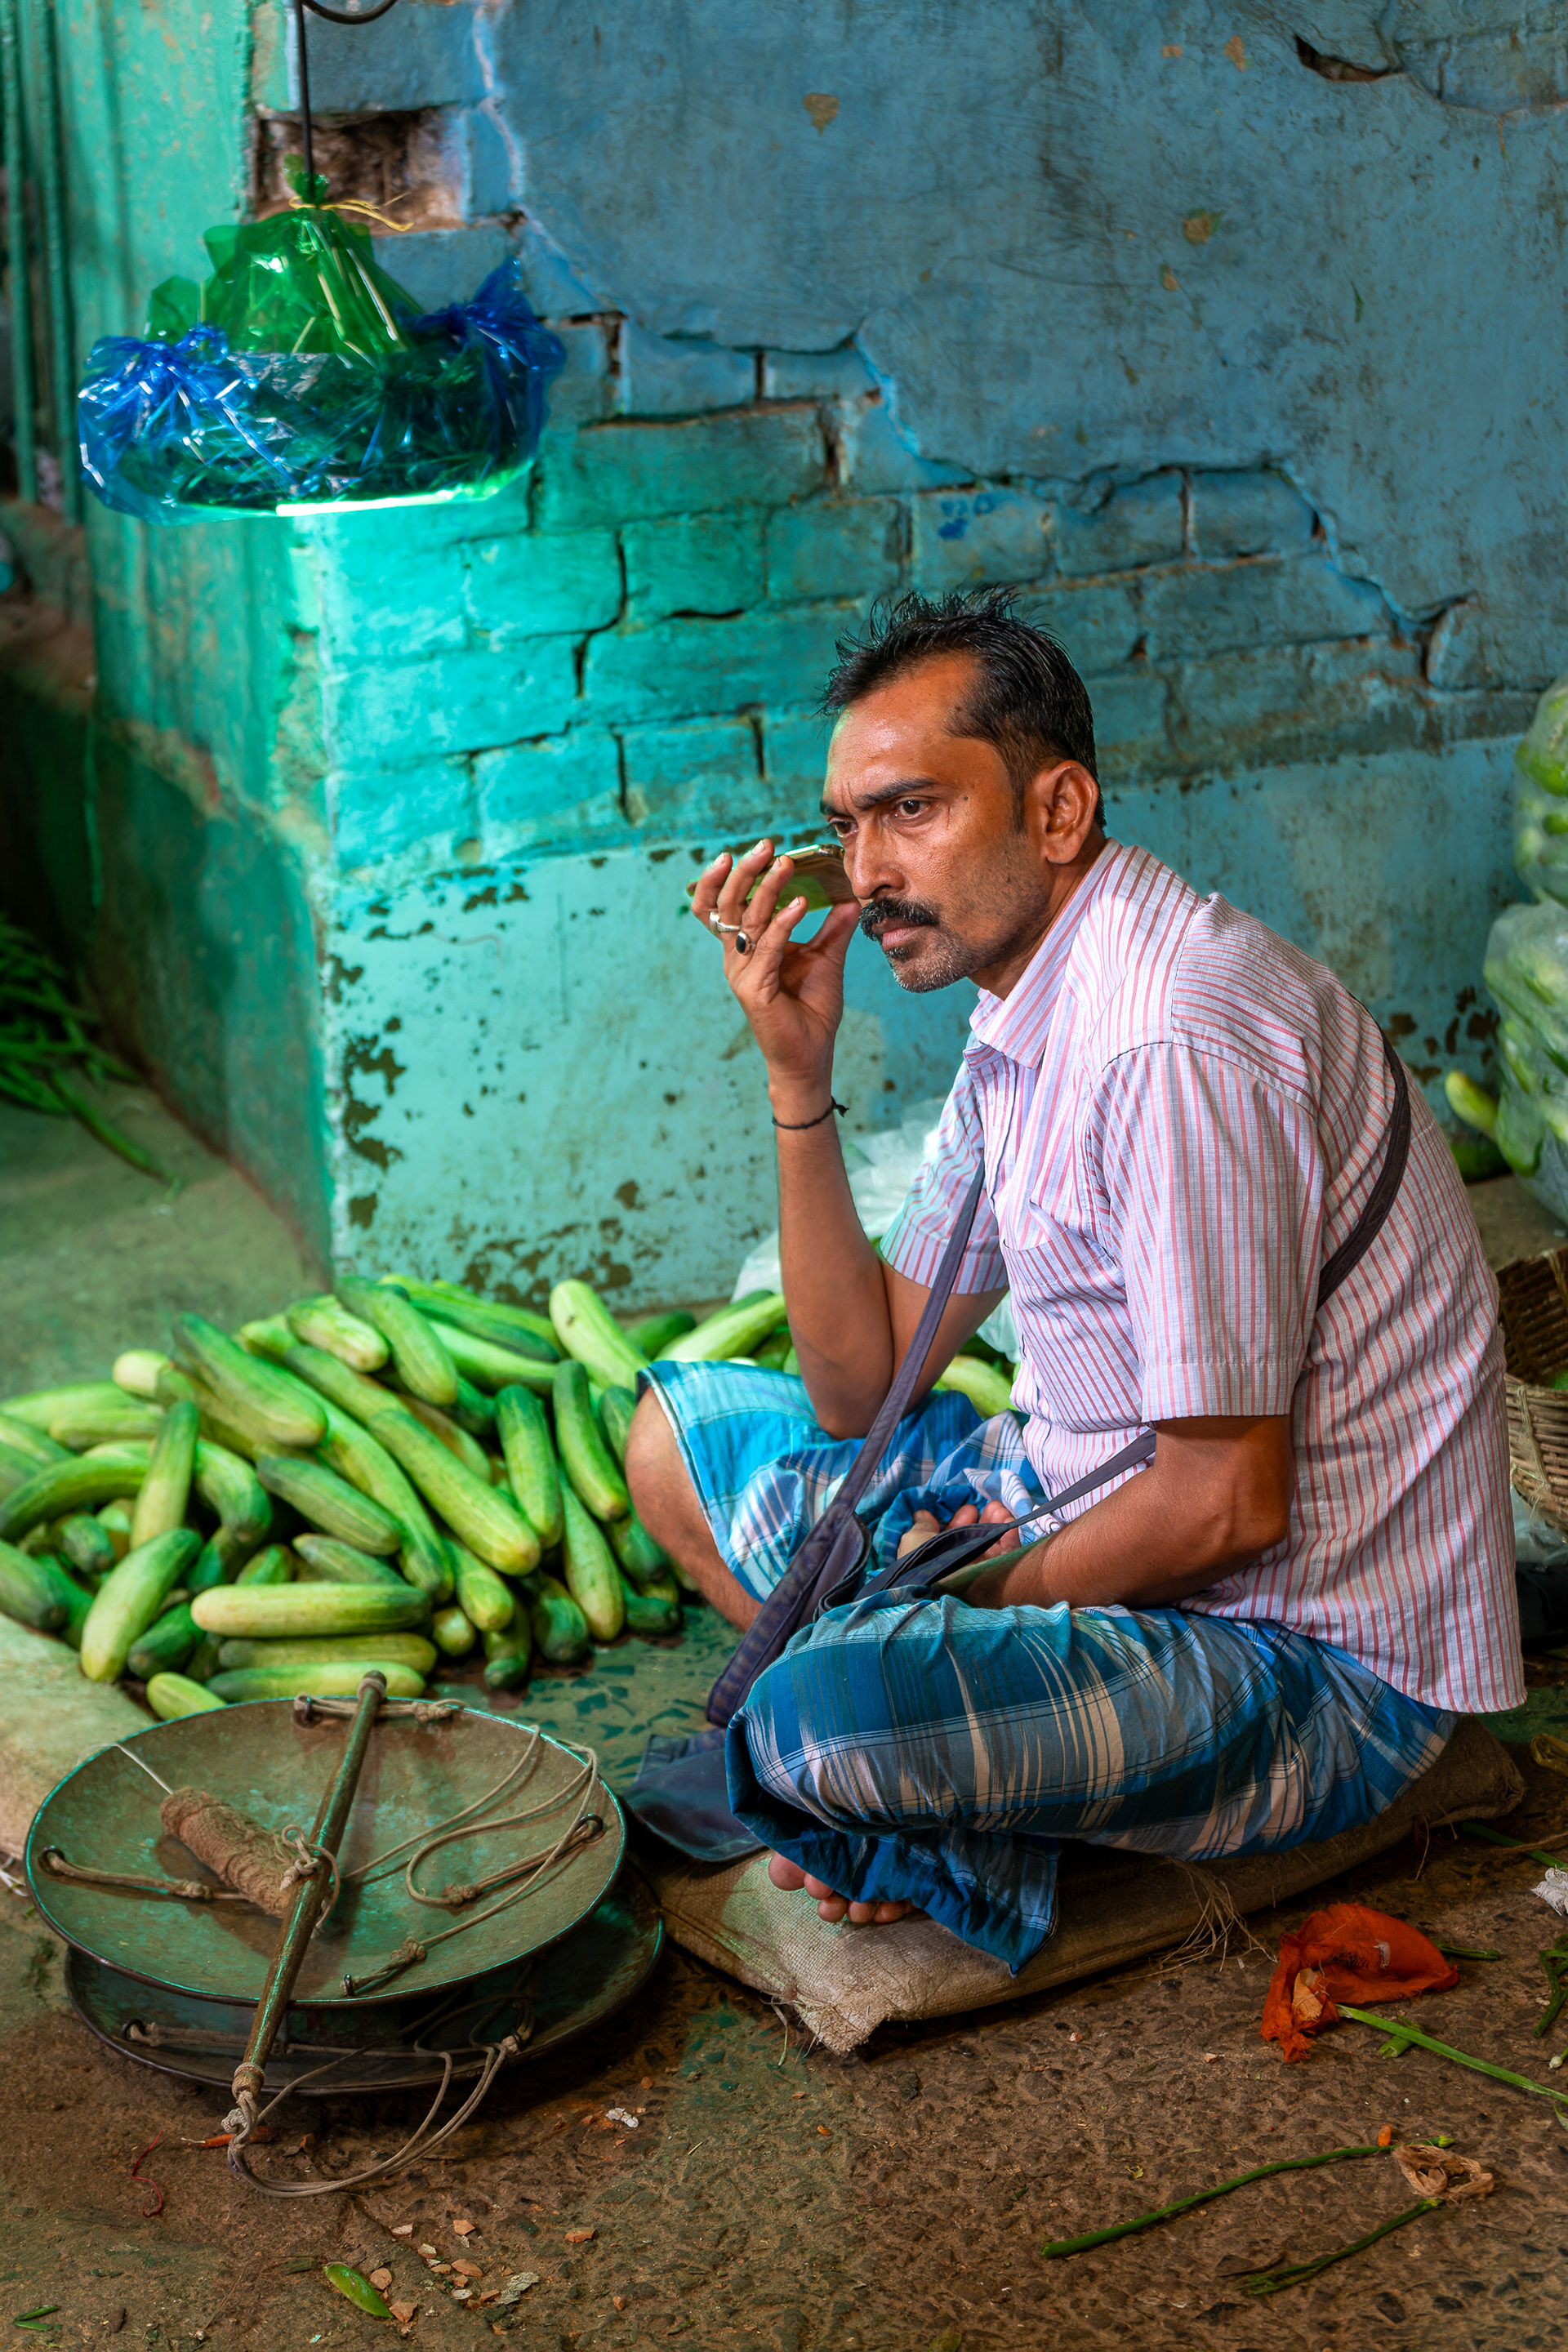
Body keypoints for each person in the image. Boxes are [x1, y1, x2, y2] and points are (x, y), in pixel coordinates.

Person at [625, 587, 1521, 1970]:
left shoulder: (1172, 1041)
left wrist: (966, 1604)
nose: (866, 872)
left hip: (1299, 1659)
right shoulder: (1026, 1011)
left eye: (912, 810)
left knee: (815, 1717)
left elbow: (1224, 1503)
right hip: (1074, 1503)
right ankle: (954, 1770)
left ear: (1057, 811)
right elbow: (861, 1385)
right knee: (671, 1442)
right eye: (848, 825)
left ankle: (944, 1783)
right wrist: (798, 1078)